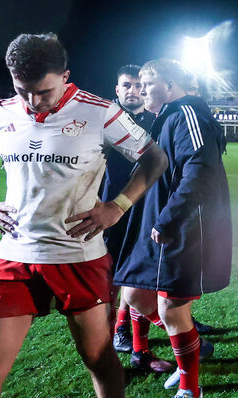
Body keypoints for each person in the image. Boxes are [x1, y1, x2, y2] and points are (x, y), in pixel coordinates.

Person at [0, 33, 168, 398]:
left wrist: (118, 206)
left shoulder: (99, 112)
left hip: (79, 256)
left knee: (98, 357)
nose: (34, 101)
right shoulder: (0, 113)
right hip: (15, 256)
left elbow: (154, 157)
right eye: (23, 91)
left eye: (44, 91)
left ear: (65, 76)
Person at [113, 58, 232, 398]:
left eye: (148, 84)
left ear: (170, 84)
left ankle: (190, 394)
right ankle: (189, 360)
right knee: (134, 294)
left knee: (171, 311)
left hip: (182, 228)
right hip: (160, 226)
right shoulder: (169, 115)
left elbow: (200, 169)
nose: (141, 91)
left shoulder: (187, 113)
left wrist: (169, 218)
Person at [105, 64, 162, 358]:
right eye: (126, 85)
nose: (133, 90)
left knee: (138, 270)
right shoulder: (104, 119)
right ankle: (116, 330)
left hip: (145, 207)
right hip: (110, 208)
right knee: (112, 272)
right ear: (117, 89)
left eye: (139, 85)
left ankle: (142, 321)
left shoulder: (154, 120)